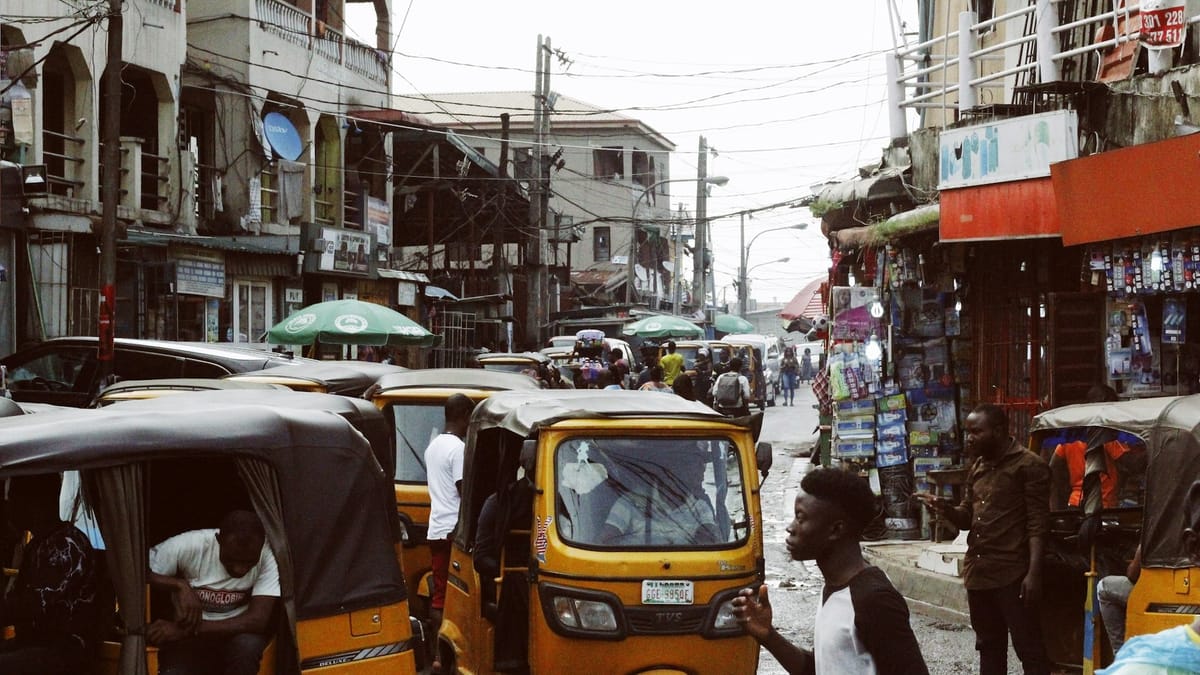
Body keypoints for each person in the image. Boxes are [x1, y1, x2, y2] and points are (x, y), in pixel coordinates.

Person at [732, 468, 929, 674]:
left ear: (835, 530)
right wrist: (768, 635)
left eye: (801, 518)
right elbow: (821, 669)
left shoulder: (874, 600)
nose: (791, 527)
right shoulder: (835, 587)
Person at [919, 404, 1051, 675]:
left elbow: (1038, 524)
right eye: (968, 432)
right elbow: (967, 517)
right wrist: (946, 509)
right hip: (979, 573)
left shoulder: (1029, 466)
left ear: (999, 431)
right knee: (989, 646)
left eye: (976, 432)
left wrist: (1034, 574)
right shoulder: (978, 467)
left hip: (1013, 573)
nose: (969, 438)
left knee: (1029, 648)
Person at [148, 510, 280, 675]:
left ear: (262, 545)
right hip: (189, 637)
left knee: (248, 647)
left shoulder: (269, 554)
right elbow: (139, 572)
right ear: (218, 540)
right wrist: (179, 585)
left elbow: (257, 620)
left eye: (249, 562)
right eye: (232, 559)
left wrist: (185, 630)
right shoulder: (190, 544)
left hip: (234, 632)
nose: (240, 569)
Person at [0, 473, 100, 674]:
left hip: (63, 649)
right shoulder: (37, 544)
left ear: (34, 501)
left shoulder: (65, 545)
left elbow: (33, 605)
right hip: (35, 643)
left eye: (13, 499)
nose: (9, 507)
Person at [1097, 480, 1200, 674]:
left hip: (1157, 596)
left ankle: (1118, 651)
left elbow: (1132, 574)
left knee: (1104, 587)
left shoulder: (1142, 664)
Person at [425, 392, 476, 664]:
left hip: (436, 529)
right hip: (453, 530)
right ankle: (441, 655)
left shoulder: (433, 447)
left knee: (440, 592)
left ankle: (436, 655)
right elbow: (463, 492)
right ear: (465, 416)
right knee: (449, 597)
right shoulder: (458, 449)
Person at [1049, 384, 1138, 510]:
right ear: (1104, 405)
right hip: (1102, 506)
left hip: (1075, 504)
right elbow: (1131, 463)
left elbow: (1053, 467)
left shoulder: (1072, 434)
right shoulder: (1105, 433)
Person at [601, 451, 719, 546]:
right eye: (693, 467)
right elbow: (605, 541)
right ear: (671, 470)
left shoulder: (700, 507)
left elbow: (712, 541)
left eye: (701, 466)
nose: (701, 473)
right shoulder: (631, 501)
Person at [1097, 544, 1141, 655]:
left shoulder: (1154, 528)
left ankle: (1121, 654)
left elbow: (1133, 575)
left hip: (1156, 593)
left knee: (1104, 588)